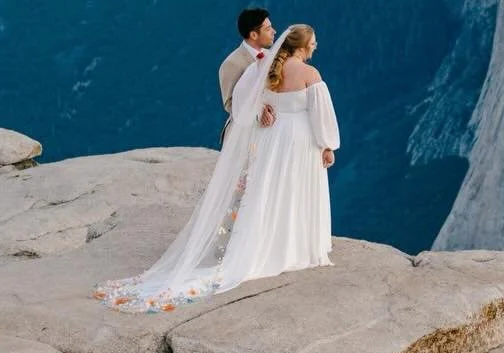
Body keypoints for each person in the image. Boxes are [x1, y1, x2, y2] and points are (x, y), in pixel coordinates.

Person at [95, 22, 340, 313]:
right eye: (313, 41)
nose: (315, 46)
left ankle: (265, 243)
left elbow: (243, 99)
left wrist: (261, 110)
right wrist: (328, 145)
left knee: (268, 191)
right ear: (303, 46)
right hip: (299, 142)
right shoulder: (311, 75)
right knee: (295, 191)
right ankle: (294, 246)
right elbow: (321, 115)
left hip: (271, 139)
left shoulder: (265, 69)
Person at [218, 7, 277, 143]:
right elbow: (230, 103)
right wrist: (259, 111)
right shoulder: (232, 63)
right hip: (243, 136)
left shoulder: (270, 56)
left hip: (268, 132)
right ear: (254, 35)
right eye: (268, 29)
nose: (274, 31)